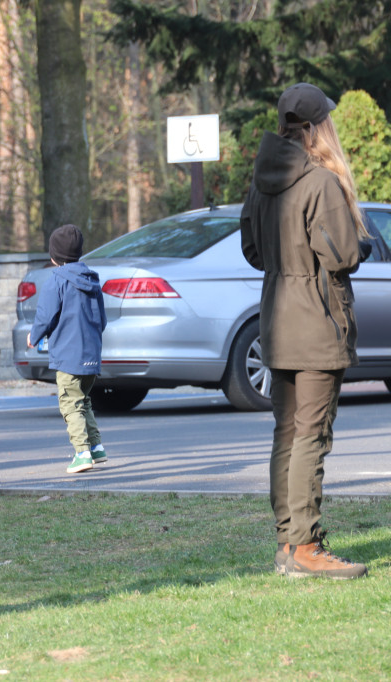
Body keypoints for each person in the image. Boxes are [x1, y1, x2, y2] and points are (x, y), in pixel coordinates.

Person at [240, 82, 369, 580]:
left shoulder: (261, 182)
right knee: (312, 437)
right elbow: (343, 255)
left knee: (287, 435)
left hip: (276, 319)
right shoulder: (320, 183)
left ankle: (286, 544)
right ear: (316, 127)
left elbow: (252, 252)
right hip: (315, 322)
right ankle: (305, 546)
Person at [27, 224, 108, 475]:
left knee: (69, 403)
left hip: (68, 356)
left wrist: (34, 335)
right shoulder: (92, 280)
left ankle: (82, 453)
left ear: (54, 257)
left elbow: (45, 315)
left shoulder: (57, 281)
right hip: (91, 355)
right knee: (83, 400)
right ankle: (96, 447)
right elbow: (102, 320)